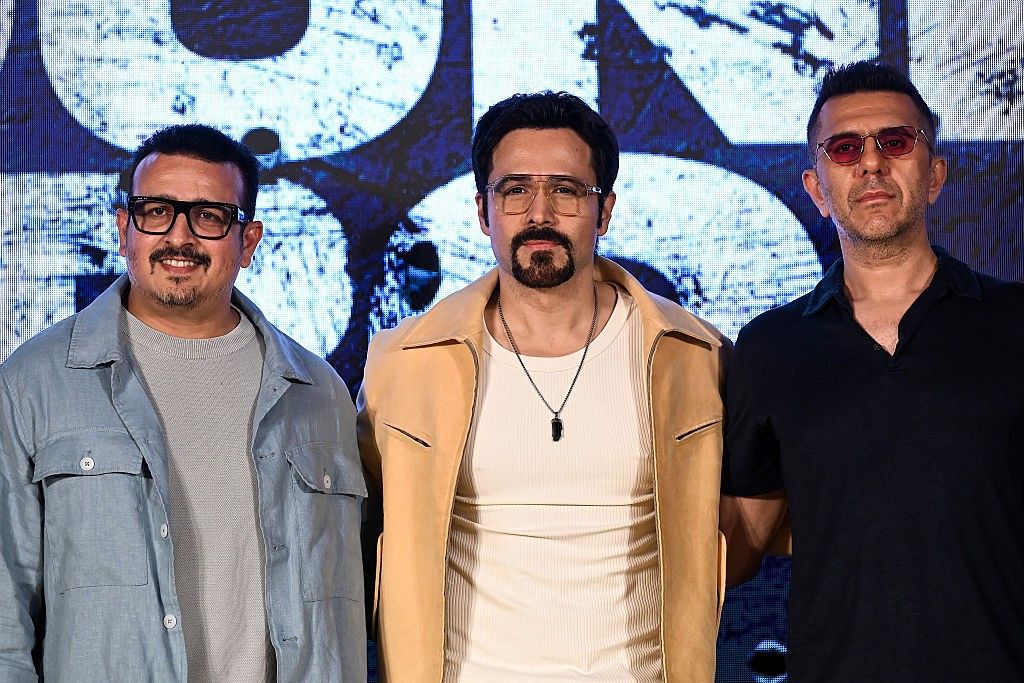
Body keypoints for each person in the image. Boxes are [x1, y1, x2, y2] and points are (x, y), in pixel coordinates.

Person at [357, 91, 730, 681]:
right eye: (515, 190)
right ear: (484, 212)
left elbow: (741, 520)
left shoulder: (694, 356)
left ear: (604, 212)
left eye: (566, 190)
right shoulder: (403, 363)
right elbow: (362, 528)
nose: (540, 213)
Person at [0, 124, 367, 681]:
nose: (180, 237)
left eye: (209, 216)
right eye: (156, 211)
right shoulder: (33, 382)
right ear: (124, 228)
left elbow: (345, 608)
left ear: (248, 241)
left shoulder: (317, 394)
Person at [720, 61, 1024, 681]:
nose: (871, 163)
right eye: (845, 148)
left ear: (934, 174)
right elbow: (735, 548)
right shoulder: (770, 347)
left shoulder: (1016, 322)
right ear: (816, 189)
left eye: (895, 141)